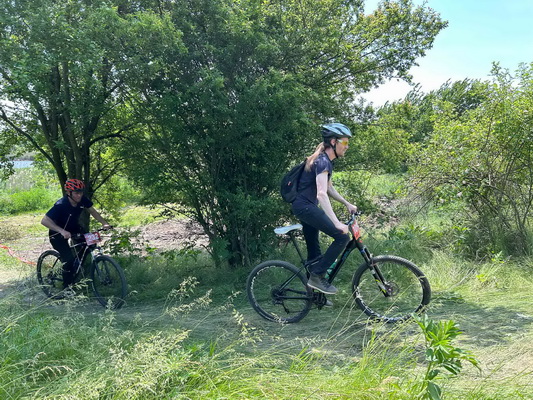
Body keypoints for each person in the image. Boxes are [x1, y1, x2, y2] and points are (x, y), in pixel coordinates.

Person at [291, 123, 357, 295]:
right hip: (305, 207)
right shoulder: (322, 161)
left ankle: (314, 296)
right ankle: (316, 277)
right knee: (342, 237)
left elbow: (329, 188)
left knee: (315, 256)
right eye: (345, 142)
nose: (347, 146)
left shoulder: (324, 160)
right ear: (334, 142)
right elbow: (321, 194)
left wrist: (347, 203)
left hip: (305, 207)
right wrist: (337, 223)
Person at [41, 179, 111, 289]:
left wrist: (104, 223)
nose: (79, 195)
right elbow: (44, 221)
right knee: (68, 260)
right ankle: (66, 288)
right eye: (76, 193)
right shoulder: (61, 204)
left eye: (81, 192)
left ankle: (77, 266)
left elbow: (92, 211)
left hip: (74, 229)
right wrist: (62, 231)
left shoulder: (82, 200)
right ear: (69, 193)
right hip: (57, 233)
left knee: (91, 243)